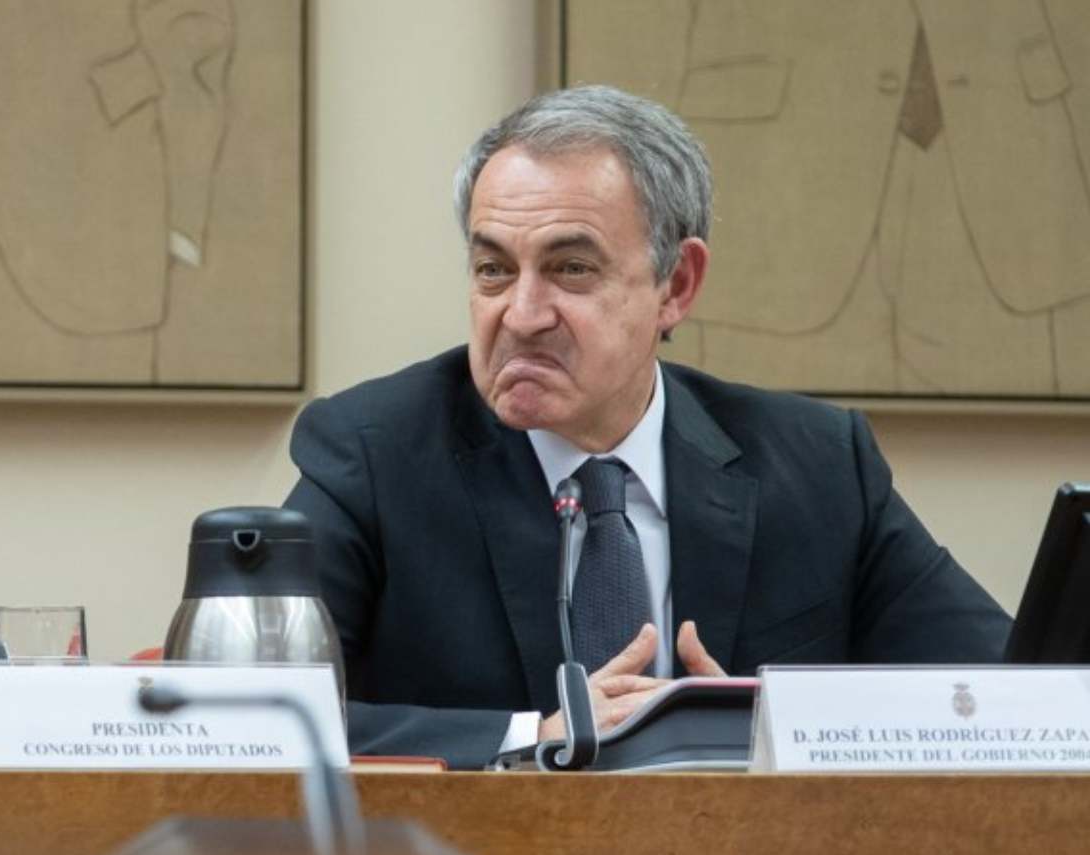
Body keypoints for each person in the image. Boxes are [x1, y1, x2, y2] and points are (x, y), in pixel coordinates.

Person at [283, 85, 1011, 770]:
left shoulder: (820, 465)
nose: (523, 315)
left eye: (570, 269)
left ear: (677, 286)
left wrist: (768, 728)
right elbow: (255, 719)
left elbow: (1010, 696)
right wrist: (530, 736)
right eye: (493, 270)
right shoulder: (373, 454)